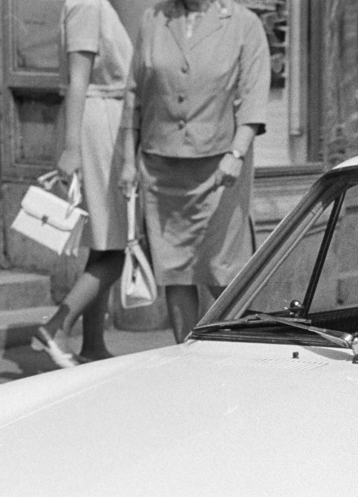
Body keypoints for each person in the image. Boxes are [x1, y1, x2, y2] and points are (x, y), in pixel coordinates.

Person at [131, 0, 270, 342]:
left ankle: (235, 352)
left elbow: (254, 97)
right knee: (175, 270)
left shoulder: (243, 23)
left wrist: (237, 152)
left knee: (221, 269)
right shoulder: (154, 18)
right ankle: (185, 353)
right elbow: (134, 94)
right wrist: (125, 161)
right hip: (161, 165)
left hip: (221, 167)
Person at [33, 0, 135, 368]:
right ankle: (56, 327)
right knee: (117, 247)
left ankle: (93, 343)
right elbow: (79, 77)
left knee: (104, 242)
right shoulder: (88, 5)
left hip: (101, 119)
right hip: (100, 125)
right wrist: (73, 147)